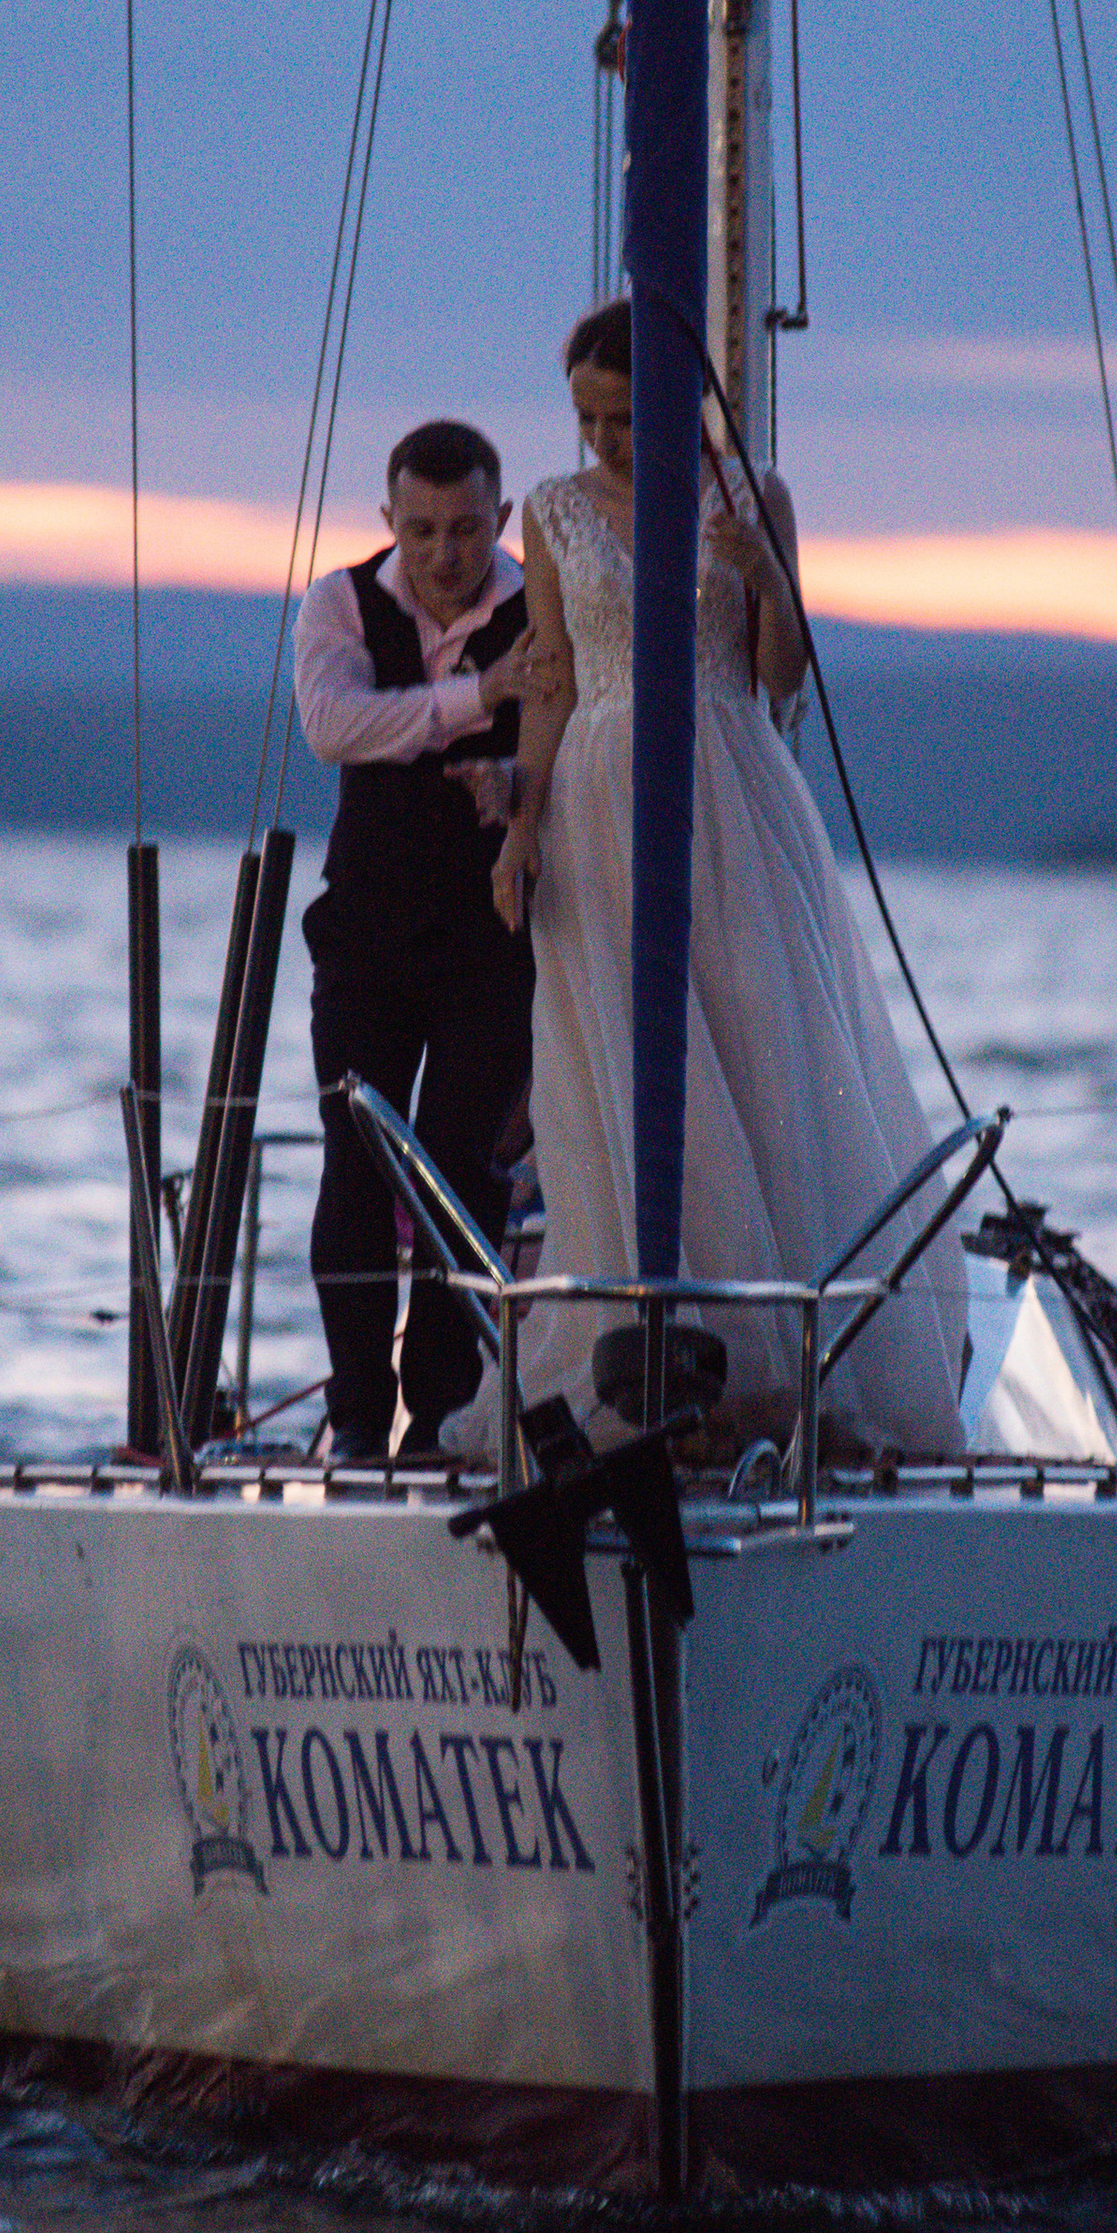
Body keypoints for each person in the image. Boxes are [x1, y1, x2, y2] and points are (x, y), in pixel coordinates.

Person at [473, 299, 967, 1459]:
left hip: (727, 782)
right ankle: (649, 1343)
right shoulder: (550, 512)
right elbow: (549, 675)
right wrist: (523, 820)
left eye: (625, 416)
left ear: (678, 402)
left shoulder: (752, 496)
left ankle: (781, 1361)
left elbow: (777, 675)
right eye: (588, 417)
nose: (604, 439)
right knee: (622, 1068)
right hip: (599, 793)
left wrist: (762, 577)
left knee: (757, 1051)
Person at [294, 419, 537, 1460]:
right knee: (357, 1164)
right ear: (390, 519)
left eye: (468, 529)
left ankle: (434, 1414)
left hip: (493, 941)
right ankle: (355, 1412)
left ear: (503, 519)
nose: (446, 553)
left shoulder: (540, 605)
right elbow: (334, 727)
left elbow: (563, 739)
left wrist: (513, 776)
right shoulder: (340, 602)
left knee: (461, 1173)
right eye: (425, 529)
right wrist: (478, 698)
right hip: (366, 935)